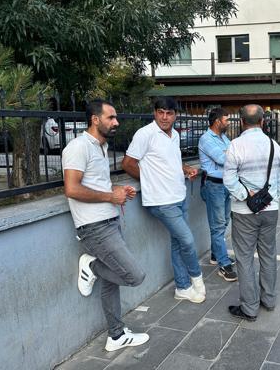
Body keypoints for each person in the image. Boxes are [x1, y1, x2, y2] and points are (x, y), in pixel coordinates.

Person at [63, 99, 149, 352]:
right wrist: (111, 197)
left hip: (109, 220)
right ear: (95, 119)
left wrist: (117, 190)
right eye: (111, 117)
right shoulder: (78, 147)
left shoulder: (101, 146)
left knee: (112, 284)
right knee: (134, 275)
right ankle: (91, 265)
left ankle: (116, 335)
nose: (116, 122)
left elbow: (97, 185)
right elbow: (72, 188)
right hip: (94, 227)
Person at [122, 97, 206, 304]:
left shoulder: (175, 135)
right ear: (155, 113)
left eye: (169, 113)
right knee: (187, 240)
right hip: (161, 201)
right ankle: (198, 281)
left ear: (175, 115)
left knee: (178, 243)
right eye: (160, 112)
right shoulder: (145, 134)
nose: (164, 117)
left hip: (179, 196)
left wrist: (186, 170)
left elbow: (173, 161)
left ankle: (182, 287)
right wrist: (151, 182)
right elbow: (128, 163)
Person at [223, 104, 280, 322]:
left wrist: (245, 195)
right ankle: (268, 299)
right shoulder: (274, 146)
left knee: (245, 258)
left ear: (240, 122)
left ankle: (249, 308)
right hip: (271, 210)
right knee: (268, 254)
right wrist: (272, 199)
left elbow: (228, 179)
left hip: (243, 212)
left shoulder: (235, 146)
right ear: (262, 121)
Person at [198, 108, 238, 282]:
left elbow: (232, 155)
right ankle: (223, 264)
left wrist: (229, 154)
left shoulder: (223, 138)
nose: (228, 123)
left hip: (225, 185)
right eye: (226, 120)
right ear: (217, 122)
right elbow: (224, 159)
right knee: (218, 225)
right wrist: (229, 154)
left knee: (224, 222)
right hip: (213, 186)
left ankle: (215, 255)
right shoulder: (206, 139)